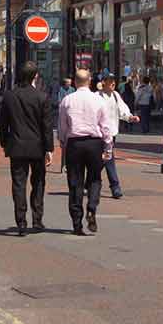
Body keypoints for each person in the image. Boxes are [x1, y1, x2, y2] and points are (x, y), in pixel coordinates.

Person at [0, 62, 54, 237]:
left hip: (17, 146)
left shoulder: (9, 96)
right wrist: (49, 149)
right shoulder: (42, 97)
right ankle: (37, 220)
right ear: (35, 76)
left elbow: (3, 124)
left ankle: (21, 222)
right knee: (38, 183)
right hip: (37, 147)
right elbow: (47, 126)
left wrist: (4, 143)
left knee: (18, 184)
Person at [57, 70, 114, 236]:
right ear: (89, 81)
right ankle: (92, 208)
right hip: (94, 143)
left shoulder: (67, 100)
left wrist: (63, 142)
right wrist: (108, 147)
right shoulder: (98, 100)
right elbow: (106, 126)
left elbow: (62, 126)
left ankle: (77, 222)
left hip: (74, 143)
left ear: (75, 82)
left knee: (75, 182)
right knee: (95, 178)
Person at [96, 73, 138, 199]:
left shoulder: (115, 95)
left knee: (103, 160)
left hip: (112, 133)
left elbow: (122, 109)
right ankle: (115, 187)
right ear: (103, 82)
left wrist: (130, 117)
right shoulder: (96, 97)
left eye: (114, 81)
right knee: (108, 159)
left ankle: (90, 182)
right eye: (110, 81)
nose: (113, 83)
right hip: (100, 134)